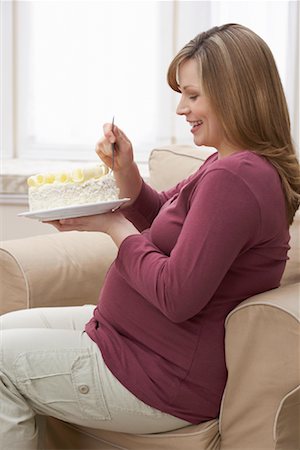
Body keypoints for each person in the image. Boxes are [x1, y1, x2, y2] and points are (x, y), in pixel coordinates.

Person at [1, 23, 300, 449]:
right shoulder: (227, 165)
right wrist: (127, 174)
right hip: (126, 340)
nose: (181, 109)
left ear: (236, 94)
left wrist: (114, 228)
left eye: (193, 95)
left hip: (158, 376)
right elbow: (166, 220)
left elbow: (178, 295)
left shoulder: (238, 178)